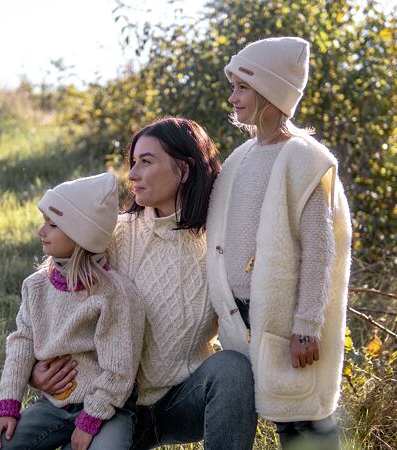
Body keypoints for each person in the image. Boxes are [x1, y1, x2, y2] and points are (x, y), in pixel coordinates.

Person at [30, 117, 258, 449]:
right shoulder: (114, 233)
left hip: (179, 401)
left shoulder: (219, 246)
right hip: (106, 405)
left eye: (146, 162)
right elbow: (49, 291)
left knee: (233, 369)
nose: (132, 174)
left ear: (184, 170)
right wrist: (35, 370)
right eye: (133, 162)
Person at [206, 37, 352, 449]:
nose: (232, 98)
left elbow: (319, 248)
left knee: (302, 420)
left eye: (242, 88)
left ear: (269, 92)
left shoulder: (303, 158)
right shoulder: (241, 158)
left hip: (286, 317)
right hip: (244, 317)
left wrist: (306, 325)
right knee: (276, 413)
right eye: (233, 87)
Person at [0, 173, 145, 450]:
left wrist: (90, 420)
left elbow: (120, 368)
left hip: (108, 410)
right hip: (54, 406)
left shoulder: (114, 293)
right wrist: (7, 408)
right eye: (45, 222)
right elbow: (21, 344)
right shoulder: (36, 286)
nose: (41, 231)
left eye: (53, 224)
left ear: (81, 234)